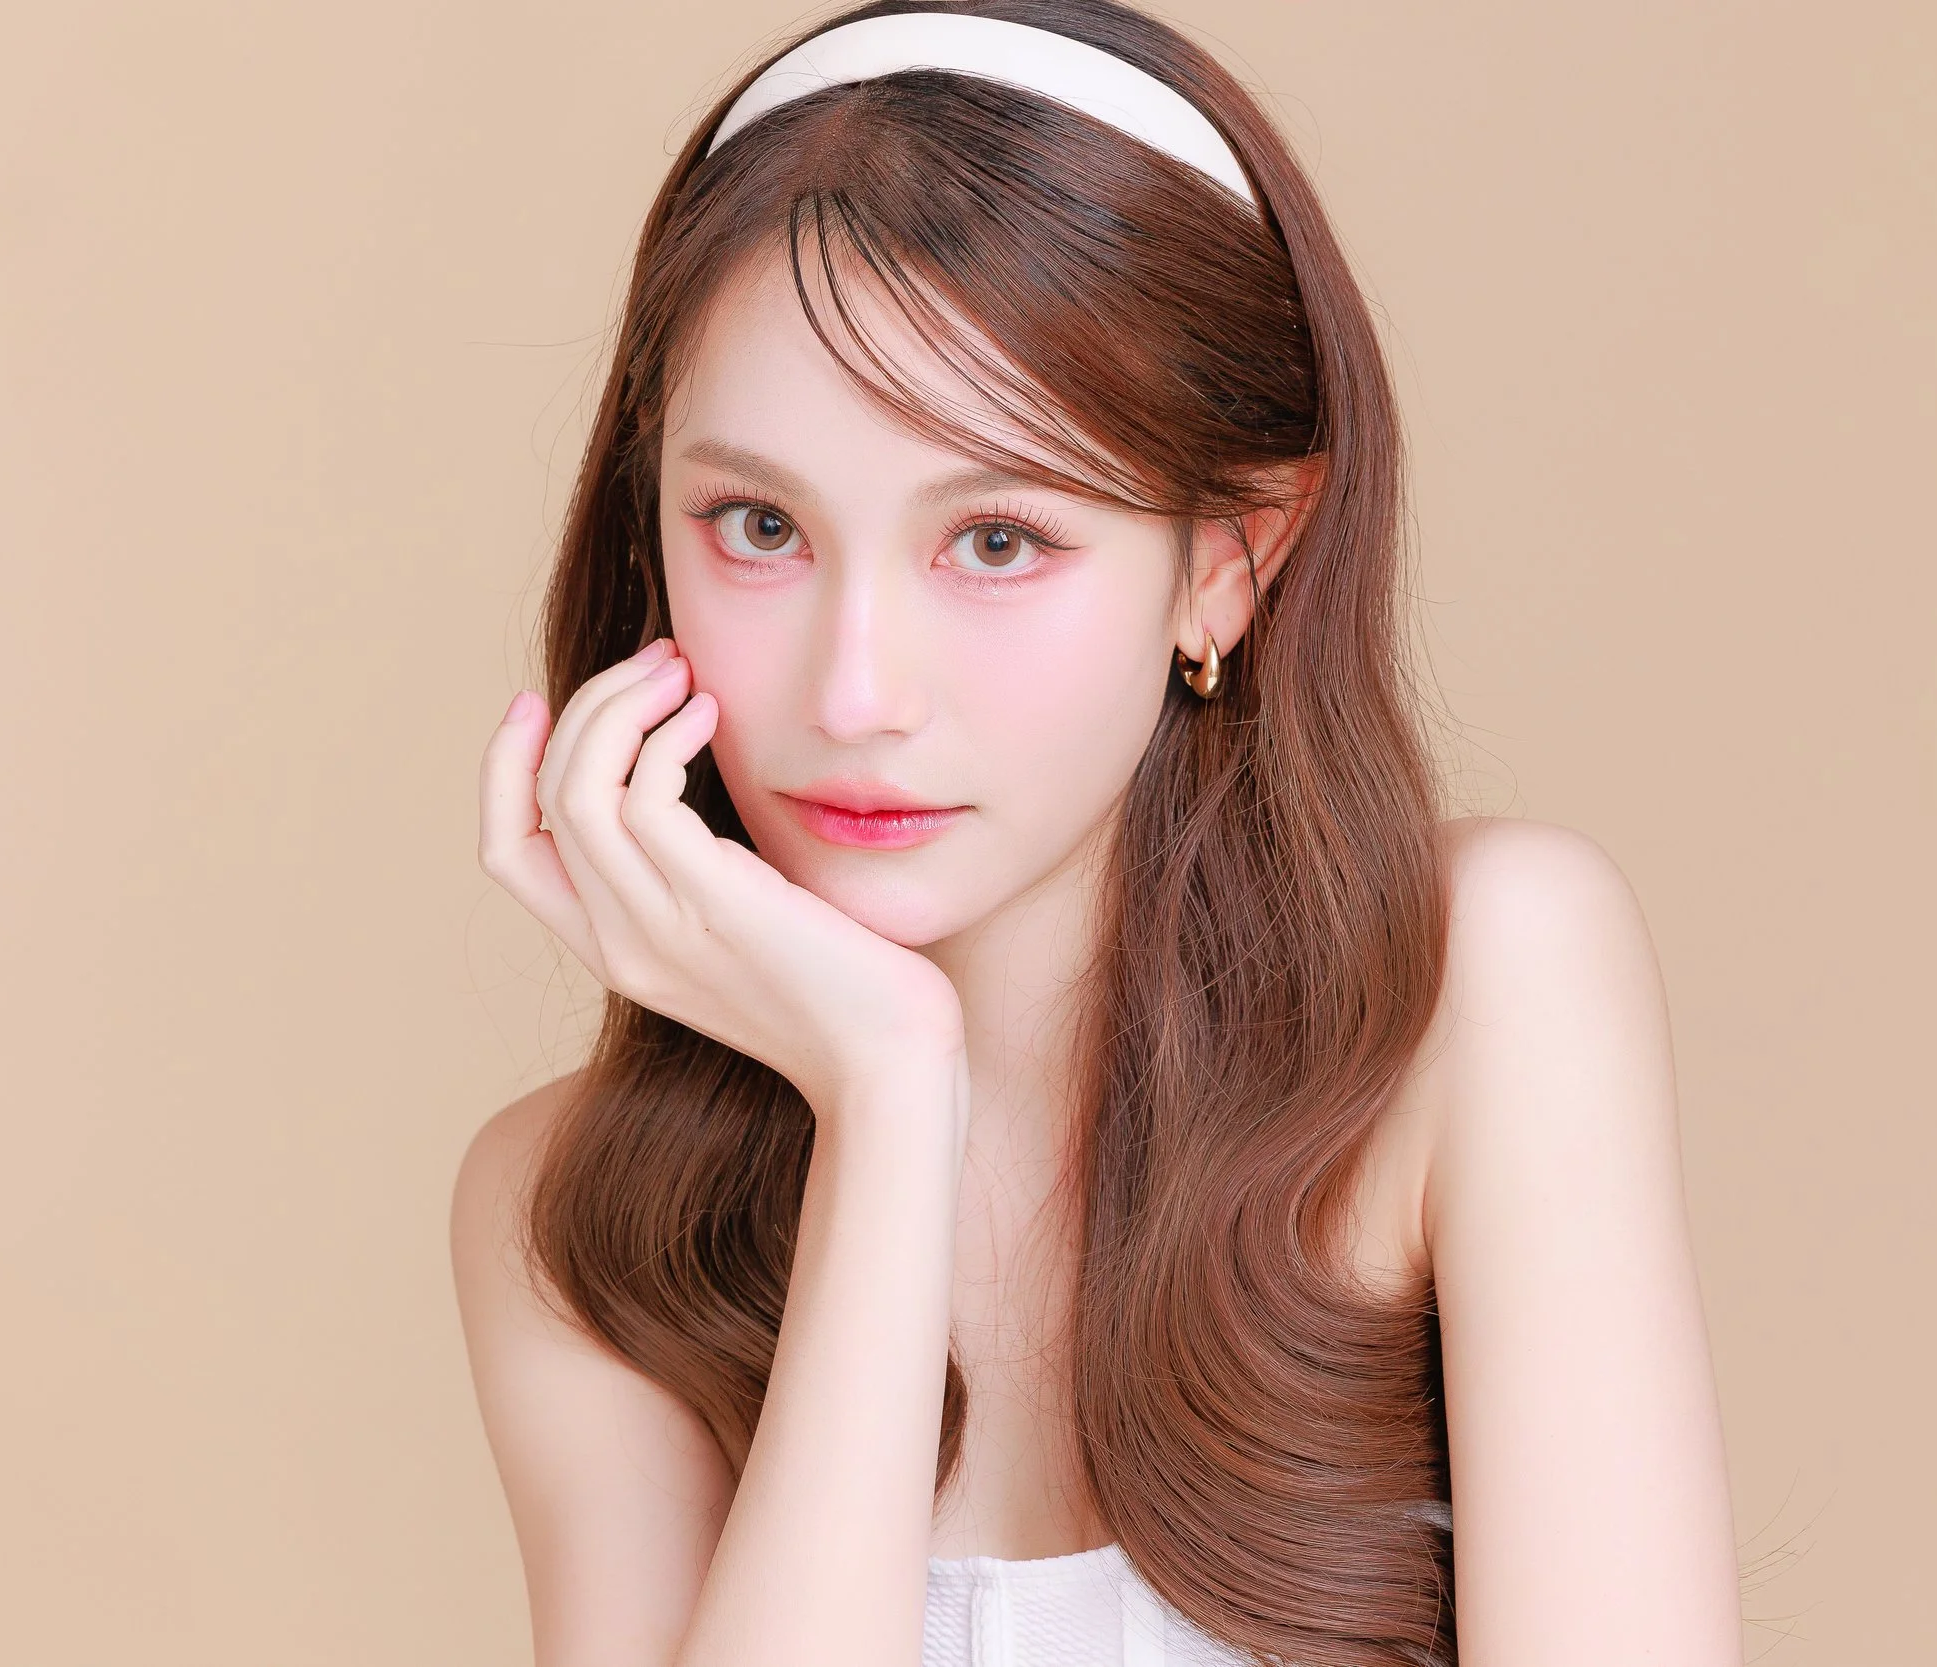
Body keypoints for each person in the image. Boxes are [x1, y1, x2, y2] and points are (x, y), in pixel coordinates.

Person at [450, 3, 1740, 1663]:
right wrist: (887, 1099)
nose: (856, 693)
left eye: (995, 538)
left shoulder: (1478, 990)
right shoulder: (563, 1209)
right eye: (759, 524)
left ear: (1229, 556)